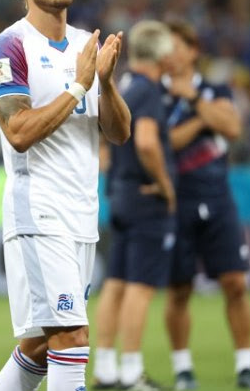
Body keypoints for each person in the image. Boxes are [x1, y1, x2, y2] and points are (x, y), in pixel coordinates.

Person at [0, 0, 130, 391]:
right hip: (39, 210)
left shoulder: (88, 44)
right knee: (70, 337)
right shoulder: (8, 48)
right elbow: (19, 132)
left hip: (83, 214)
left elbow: (119, 132)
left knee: (40, 349)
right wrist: (80, 87)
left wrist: (106, 84)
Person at [162, 20, 250, 390]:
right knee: (179, 289)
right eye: (165, 47)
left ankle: (245, 366)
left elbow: (232, 127)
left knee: (236, 283)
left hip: (219, 199)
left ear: (193, 51)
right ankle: (183, 370)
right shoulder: (154, 95)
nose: (171, 54)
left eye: (177, 46)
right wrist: (203, 120)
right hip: (176, 202)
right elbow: (163, 145)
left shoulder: (213, 88)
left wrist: (192, 102)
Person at [92, 20, 177, 391]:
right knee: (140, 287)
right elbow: (145, 142)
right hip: (145, 196)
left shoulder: (122, 83)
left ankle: (106, 369)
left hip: (120, 193)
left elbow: (106, 143)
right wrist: (165, 186)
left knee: (116, 283)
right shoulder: (150, 91)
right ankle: (130, 372)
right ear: (160, 53)